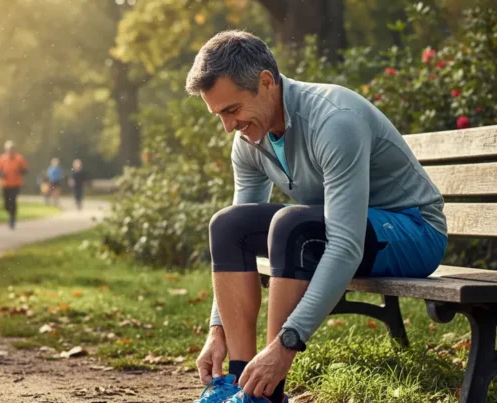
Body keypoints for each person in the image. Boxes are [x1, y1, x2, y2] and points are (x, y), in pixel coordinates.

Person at [186, 31, 448, 403]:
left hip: (414, 231)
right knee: (229, 224)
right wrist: (217, 331)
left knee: (292, 227)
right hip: (347, 227)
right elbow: (238, 228)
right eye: (220, 115)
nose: (229, 126)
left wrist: (286, 344)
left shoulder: (334, 120)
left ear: (265, 82)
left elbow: (345, 245)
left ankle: (268, 391)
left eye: (232, 110)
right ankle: (240, 382)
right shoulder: (248, 140)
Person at [0, 140, 28, 229]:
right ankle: (10, 213)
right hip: (5, 184)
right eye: (9, 149)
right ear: (6, 150)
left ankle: (12, 218)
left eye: (12, 149)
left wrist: (20, 171)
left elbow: (25, 169)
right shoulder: (2, 158)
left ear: (14, 149)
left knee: (13, 201)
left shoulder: (19, 158)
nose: (10, 151)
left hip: (16, 184)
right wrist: (1, 174)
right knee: (6, 204)